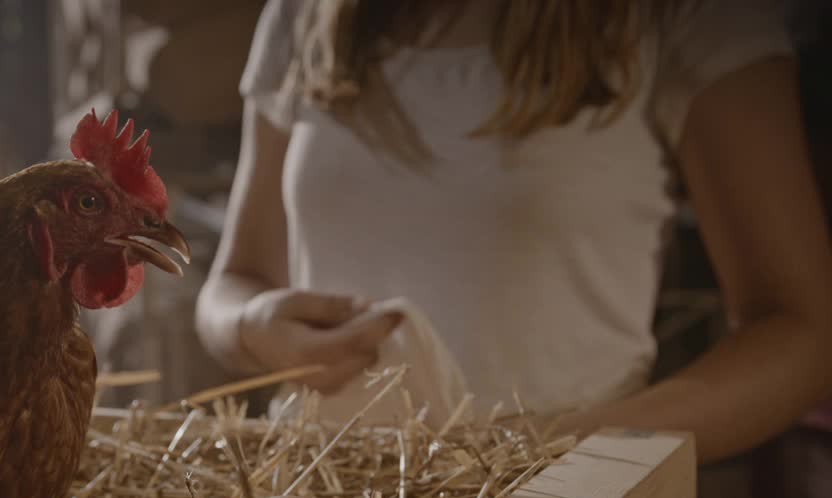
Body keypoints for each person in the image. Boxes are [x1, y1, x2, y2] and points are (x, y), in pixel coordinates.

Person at [195, 0, 832, 465]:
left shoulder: (684, 17)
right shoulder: (309, 15)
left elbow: (803, 333)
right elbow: (233, 282)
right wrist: (253, 330)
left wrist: (567, 450)